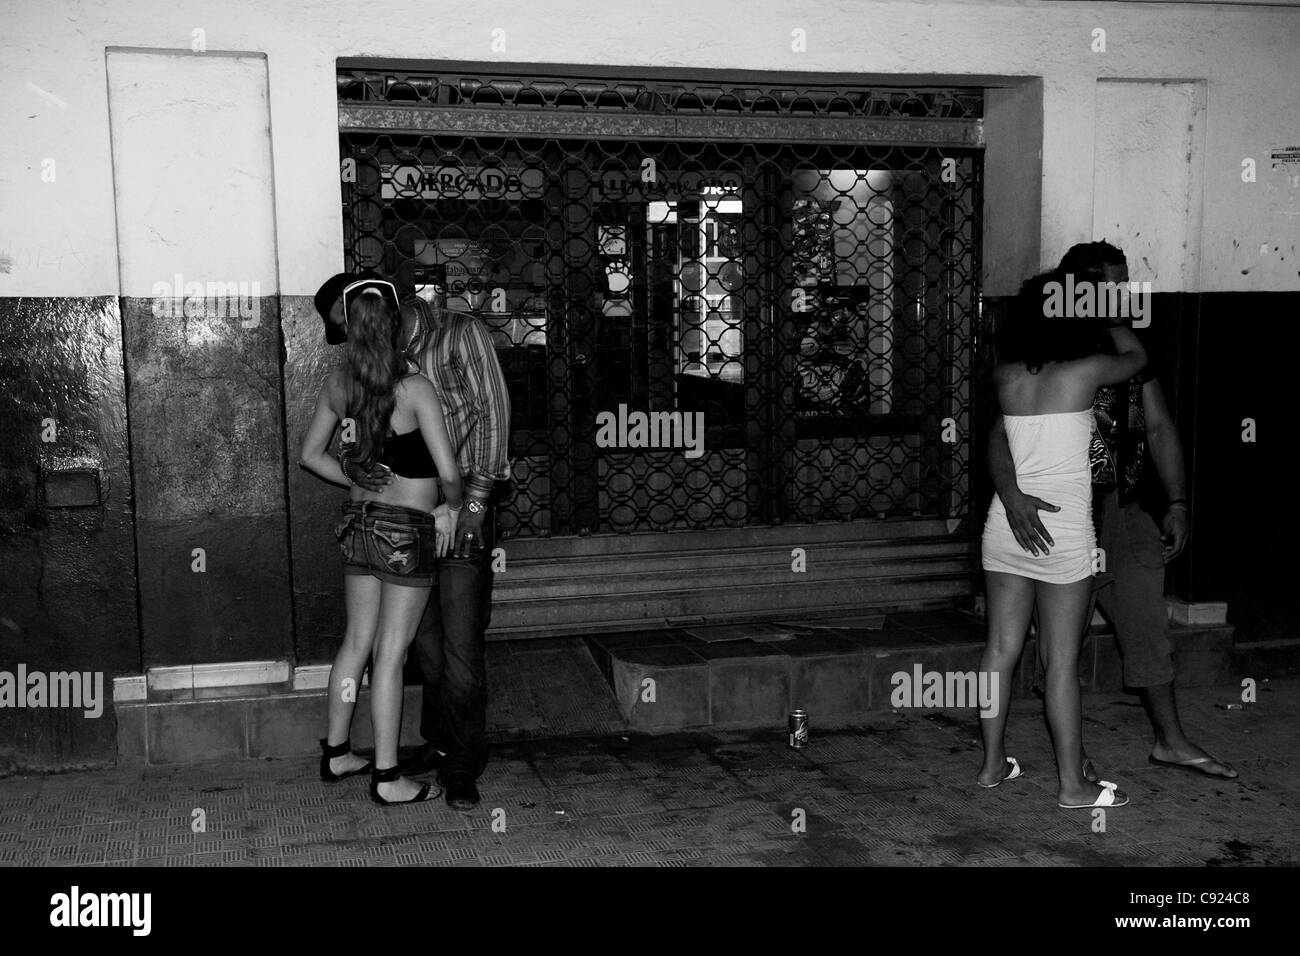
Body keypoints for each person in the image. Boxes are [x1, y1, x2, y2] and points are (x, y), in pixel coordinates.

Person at [989, 241, 1237, 781]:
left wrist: (1176, 501)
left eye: (1124, 284)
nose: (1122, 295)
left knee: (1147, 624)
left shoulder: (1123, 347)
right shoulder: (1048, 343)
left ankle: (1169, 741)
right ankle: (1071, 760)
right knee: (1060, 646)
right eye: (1110, 285)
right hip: (1064, 513)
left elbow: (1159, 426)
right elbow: (1000, 435)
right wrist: (1011, 497)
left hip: (1121, 511)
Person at [314, 267, 512, 811]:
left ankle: (453, 761)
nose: (348, 335)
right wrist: (364, 466)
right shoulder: (398, 380)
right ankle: (410, 761)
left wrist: (468, 507)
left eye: (348, 323)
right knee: (407, 650)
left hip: (416, 519)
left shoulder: (457, 335)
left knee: (442, 645)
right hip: (411, 527)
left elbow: (494, 418)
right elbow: (427, 463)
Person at [979, 270, 1145, 809]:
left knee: (1000, 650)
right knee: (1061, 665)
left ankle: (990, 765)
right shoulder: (1088, 370)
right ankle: (1073, 786)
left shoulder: (1006, 376)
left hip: (1006, 524)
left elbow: (996, 442)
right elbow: (1137, 359)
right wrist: (1113, 313)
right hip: (1063, 532)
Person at [299, 279, 465, 805]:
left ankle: (339, 752)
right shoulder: (415, 389)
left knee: (356, 645)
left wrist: (352, 476)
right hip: (406, 532)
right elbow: (450, 472)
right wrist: (452, 508)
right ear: (392, 322)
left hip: (359, 523)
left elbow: (310, 456)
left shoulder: (338, 382)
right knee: (391, 656)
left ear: (347, 326)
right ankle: (390, 778)